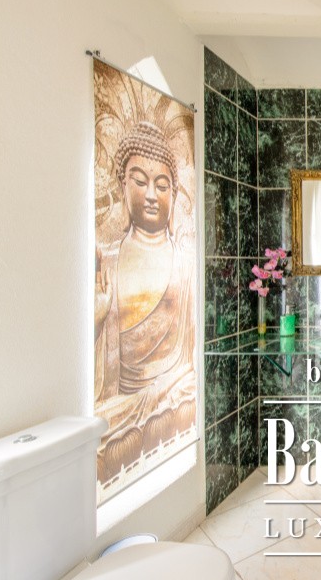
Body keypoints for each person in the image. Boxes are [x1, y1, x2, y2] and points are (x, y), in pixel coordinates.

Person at [93, 121, 196, 485]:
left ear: (174, 193)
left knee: (190, 396)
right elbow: (99, 381)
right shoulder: (107, 261)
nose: (151, 194)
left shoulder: (186, 262)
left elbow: (192, 355)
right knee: (99, 434)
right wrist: (98, 319)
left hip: (173, 393)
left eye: (162, 185)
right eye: (140, 181)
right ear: (123, 186)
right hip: (126, 406)